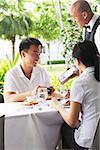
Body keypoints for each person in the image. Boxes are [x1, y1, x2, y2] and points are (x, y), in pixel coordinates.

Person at [51, 40, 100, 150]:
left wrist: (58, 106)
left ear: (77, 61)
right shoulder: (89, 79)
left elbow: (72, 122)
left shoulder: (80, 83)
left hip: (88, 142)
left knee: (65, 128)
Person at [4, 37, 53, 102]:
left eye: (39, 54)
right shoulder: (12, 74)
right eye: (35, 53)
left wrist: (63, 96)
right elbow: (8, 98)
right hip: (20, 111)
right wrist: (32, 93)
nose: (38, 58)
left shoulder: (42, 71)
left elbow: (52, 92)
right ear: (23, 54)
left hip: (41, 110)